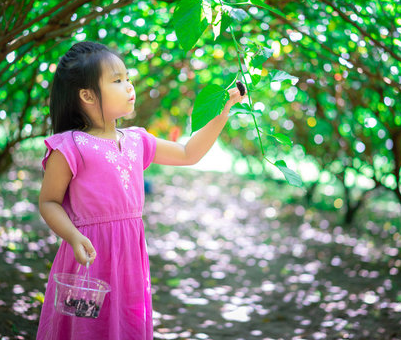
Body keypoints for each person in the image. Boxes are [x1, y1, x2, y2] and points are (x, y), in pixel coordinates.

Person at [36, 41, 245, 340]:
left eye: (128, 78)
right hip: (89, 257)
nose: (129, 86)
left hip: (130, 258)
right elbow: (49, 202)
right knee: (85, 329)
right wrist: (72, 236)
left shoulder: (137, 140)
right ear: (87, 95)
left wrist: (222, 112)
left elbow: (188, 153)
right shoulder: (70, 146)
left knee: (126, 324)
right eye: (117, 80)